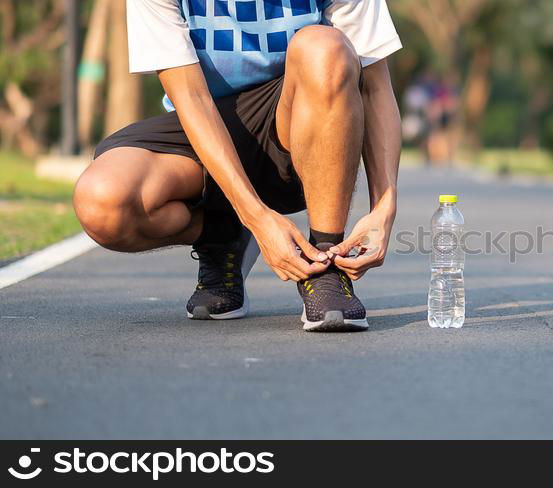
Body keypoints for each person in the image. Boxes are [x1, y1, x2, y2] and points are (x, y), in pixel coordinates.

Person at [73, 0, 403, 332]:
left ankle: (326, 261)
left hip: (293, 126)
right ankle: (224, 237)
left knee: (325, 47)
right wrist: (255, 218)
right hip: (205, 121)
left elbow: (375, 87)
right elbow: (192, 98)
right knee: (103, 202)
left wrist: (384, 207)